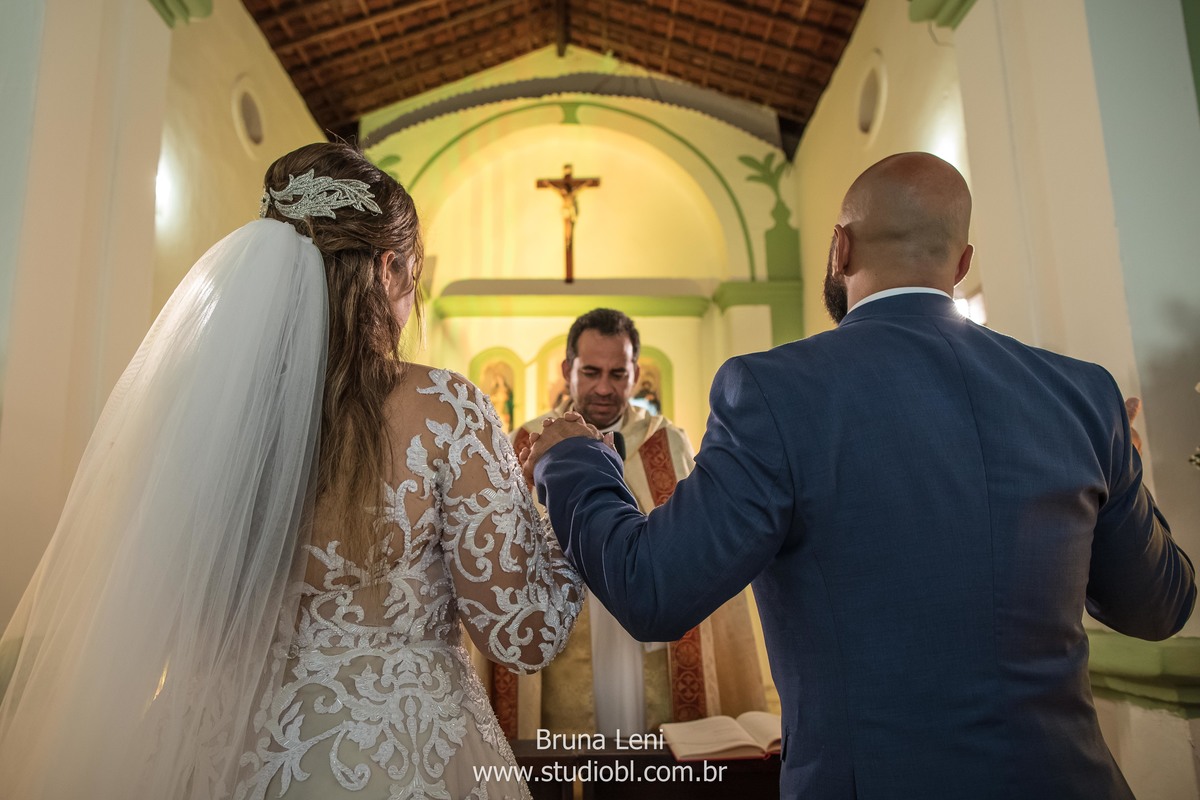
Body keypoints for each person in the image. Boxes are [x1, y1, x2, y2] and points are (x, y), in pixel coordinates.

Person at [524, 153, 1196, 799]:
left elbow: (653, 590)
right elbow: (1159, 607)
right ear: (961, 265)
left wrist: (571, 456)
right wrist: (1123, 466)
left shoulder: (776, 392)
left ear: (840, 250)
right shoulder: (1082, 395)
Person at [0, 142, 583, 799]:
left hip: (223, 746)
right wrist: (564, 497)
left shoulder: (209, 410)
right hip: (403, 753)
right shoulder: (446, 410)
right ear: (390, 269)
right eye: (413, 272)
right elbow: (524, 636)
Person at [502, 309, 768, 740]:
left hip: (649, 639)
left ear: (635, 373)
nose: (604, 388)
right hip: (566, 638)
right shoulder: (530, 444)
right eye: (590, 372)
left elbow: (695, 548)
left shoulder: (666, 441)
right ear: (567, 370)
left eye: (617, 373)